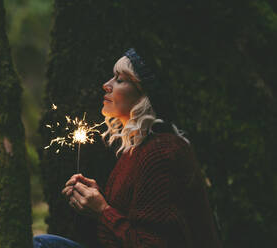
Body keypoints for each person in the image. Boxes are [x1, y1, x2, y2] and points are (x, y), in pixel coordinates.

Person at [34, 48, 222, 248]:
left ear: (144, 96)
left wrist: (102, 211)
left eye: (120, 80)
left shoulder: (162, 152)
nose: (106, 85)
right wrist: (96, 201)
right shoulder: (136, 149)